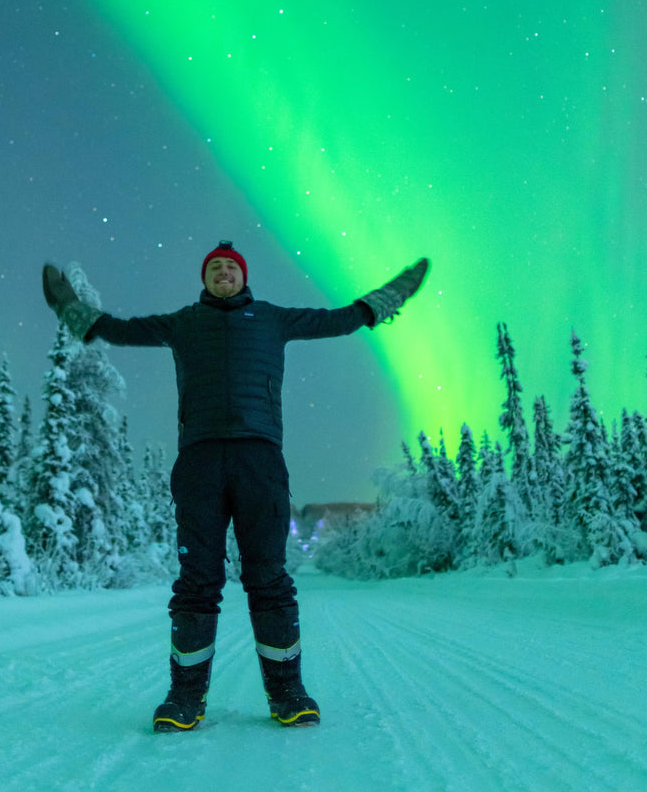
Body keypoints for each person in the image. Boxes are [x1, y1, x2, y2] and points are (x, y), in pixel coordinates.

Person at [42, 242, 429, 731]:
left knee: (267, 578)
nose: (223, 272)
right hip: (199, 462)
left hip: (259, 460)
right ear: (204, 279)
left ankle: (288, 693)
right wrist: (71, 309)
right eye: (214, 267)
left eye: (231, 267)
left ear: (243, 278)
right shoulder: (182, 323)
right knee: (196, 584)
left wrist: (387, 298)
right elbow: (117, 330)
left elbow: (339, 320)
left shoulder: (273, 318)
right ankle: (185, 699)